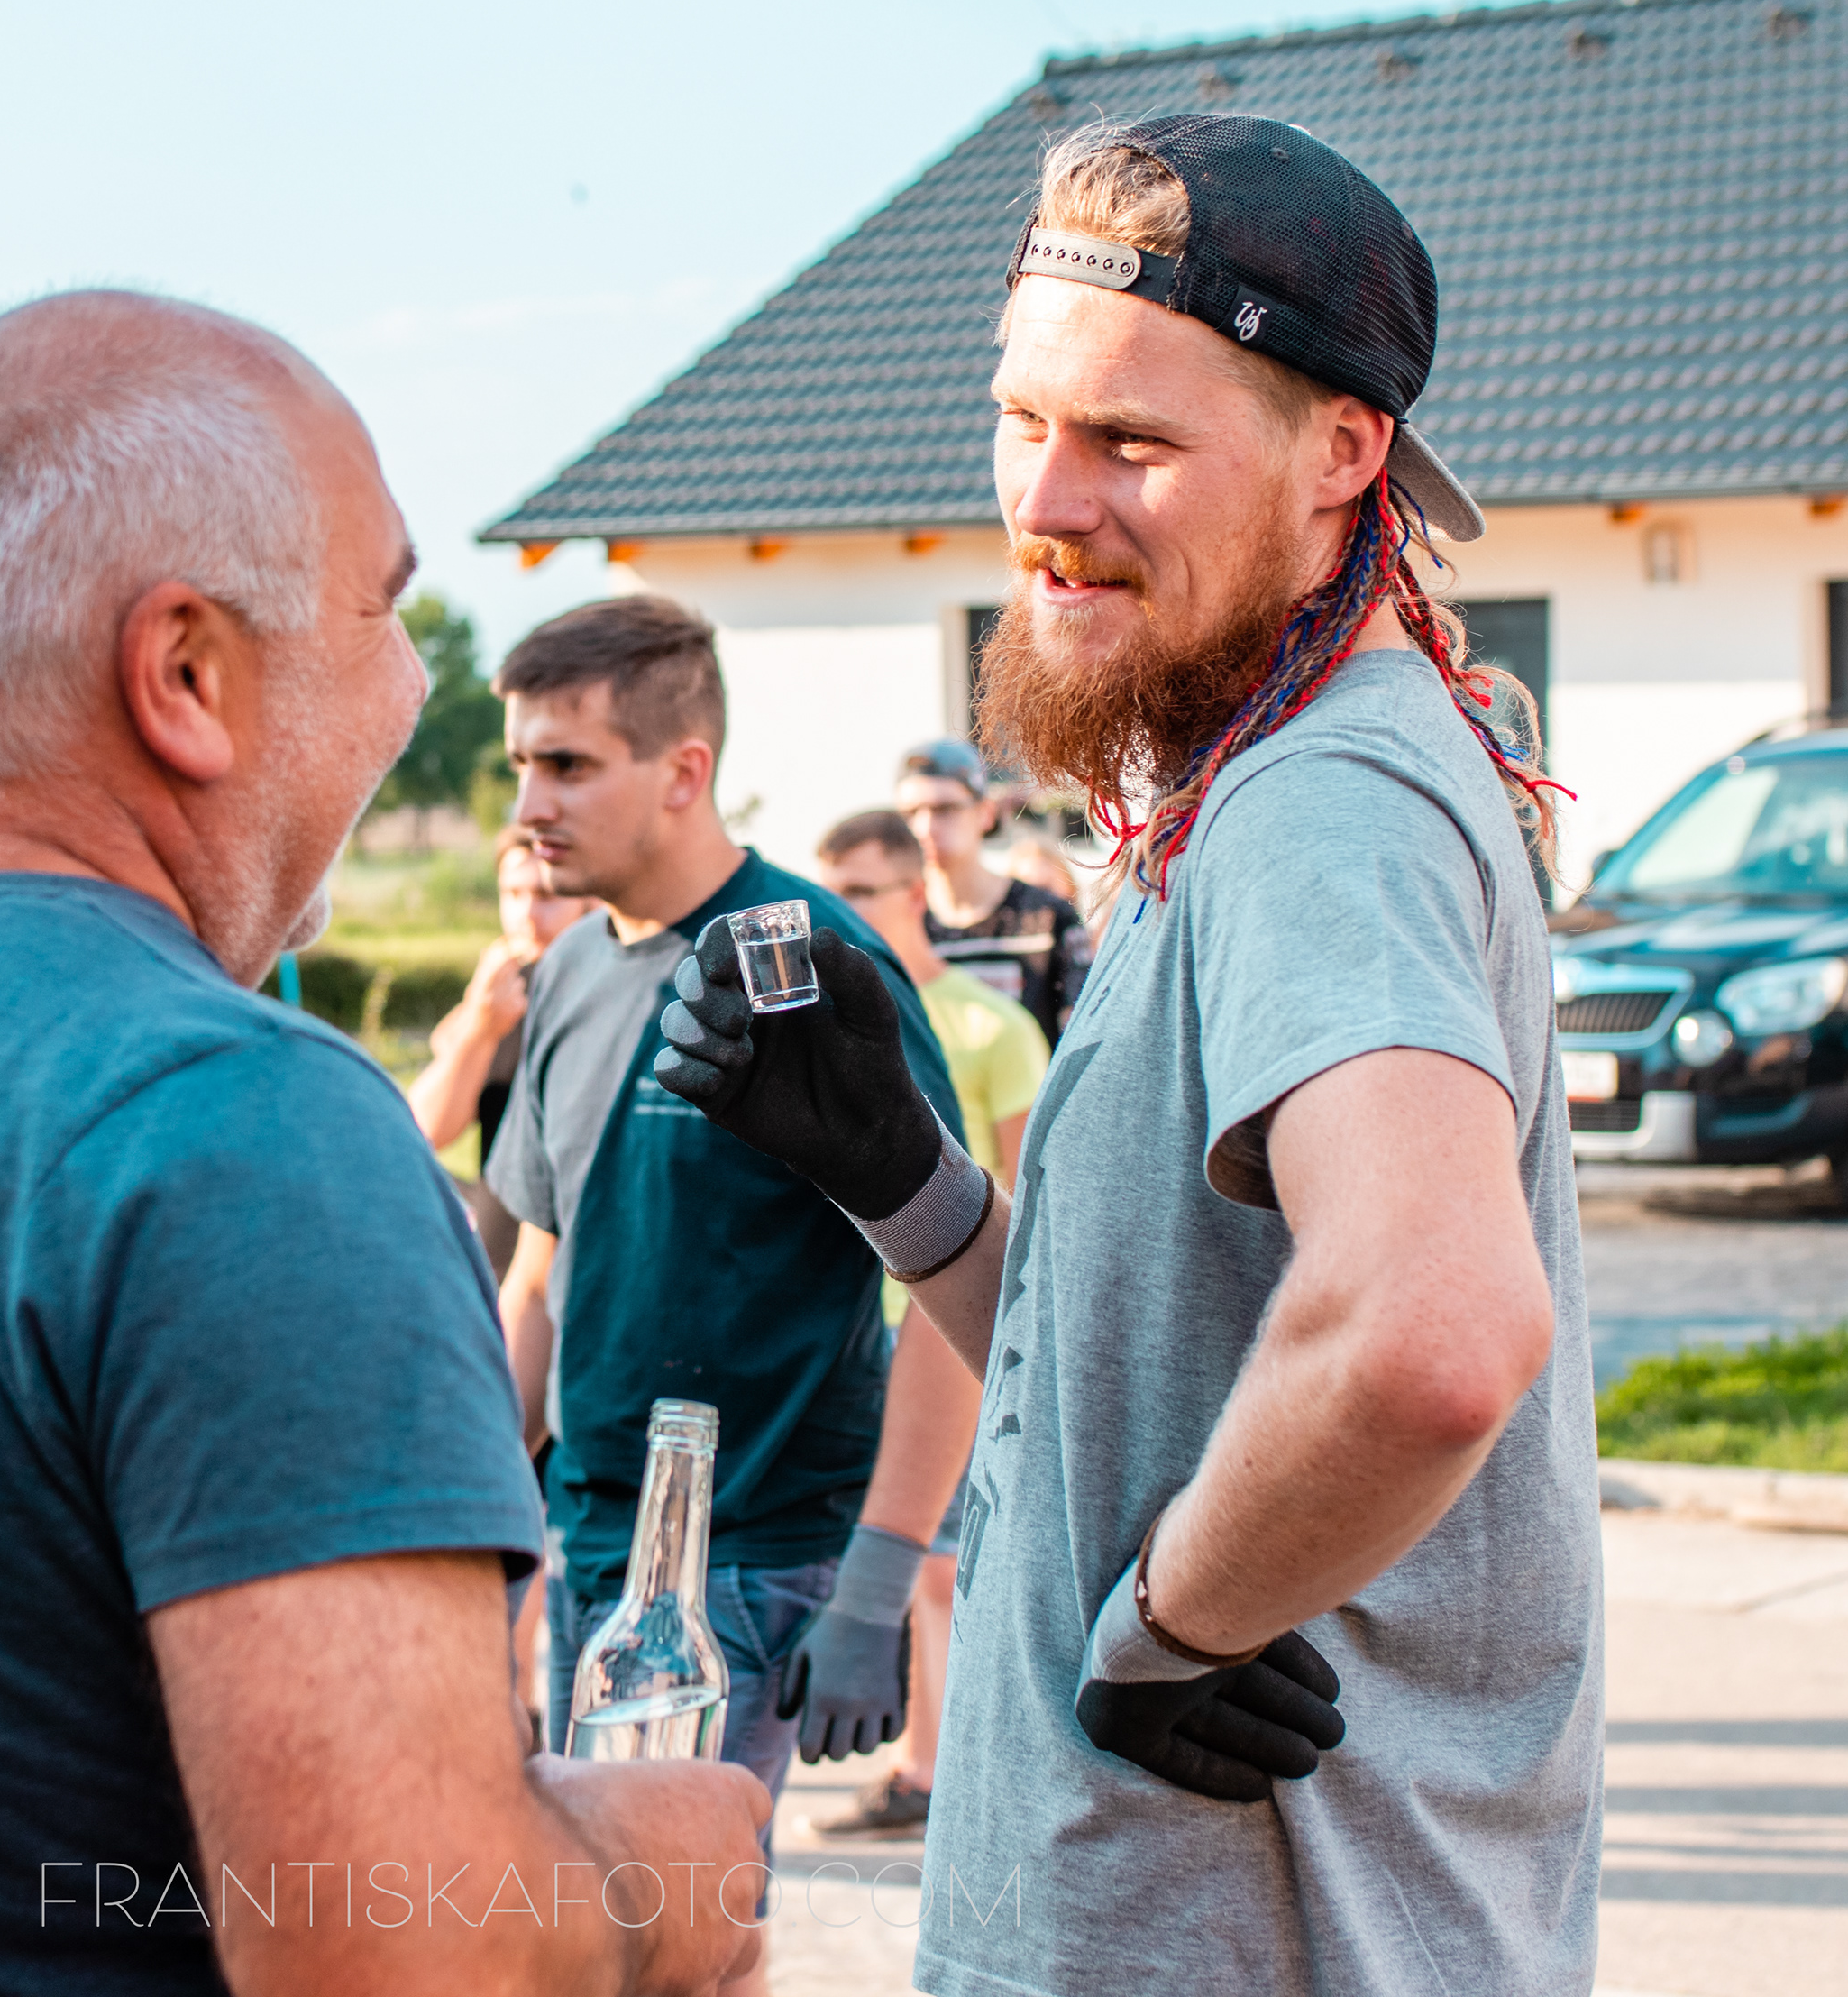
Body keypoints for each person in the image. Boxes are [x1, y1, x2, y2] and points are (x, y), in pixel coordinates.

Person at [0, 292, 768, 1995]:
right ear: (184, 676)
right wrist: (666, 1866)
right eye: (384, 610)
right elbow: (396, 1950)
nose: (414, 686)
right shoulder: (240, 1123)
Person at [654, 115, 1594, 1992]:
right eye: (1023, 419)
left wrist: (1174, 1626)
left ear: (1344, 456)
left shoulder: (1325, 801)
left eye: (1133, 443)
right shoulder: (1252, 779)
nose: (1047, 500)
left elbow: (1432, 1329)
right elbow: (1136, 1388)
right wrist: (901, 1179)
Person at [487, 597, 982, 1969]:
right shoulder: (567, 971)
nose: (530, 805)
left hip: (755, 1557)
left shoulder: (802, 965)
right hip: (589, 1546)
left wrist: (879, 1580)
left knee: (667, 1939)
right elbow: (540, 1274)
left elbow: (949, 1282)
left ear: (684, 769)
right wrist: (477, 1522)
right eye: (521, 764)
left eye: (568, 764)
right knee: (613, 1939)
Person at [802, 809, 1049, 1841]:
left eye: (861, 889)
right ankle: (924, 1762)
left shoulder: (991, 1026)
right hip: (857, 1334)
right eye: (829, 888)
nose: (838, 909)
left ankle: (939, 1774)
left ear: (914, 893)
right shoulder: (814, 1017)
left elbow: (1032, 1190)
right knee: (899, 1565)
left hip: (954, 1325)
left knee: (944, 1566)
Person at [408, 826, 594, 1278]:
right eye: (512, 894)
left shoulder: (609, 993)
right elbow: (425, 1129)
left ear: (588, 899)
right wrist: (480, 1022)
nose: (526, 914)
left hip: (581, 1258)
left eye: (546, 895)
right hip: (502, 1262)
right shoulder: (502, 997)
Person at [895, 740, 1086, 1047]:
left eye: (944, 809)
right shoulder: (898, 924)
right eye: (910, 813)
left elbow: (1083, 1033)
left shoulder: (1047, 917)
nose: (924, 827)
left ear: (985, 813)